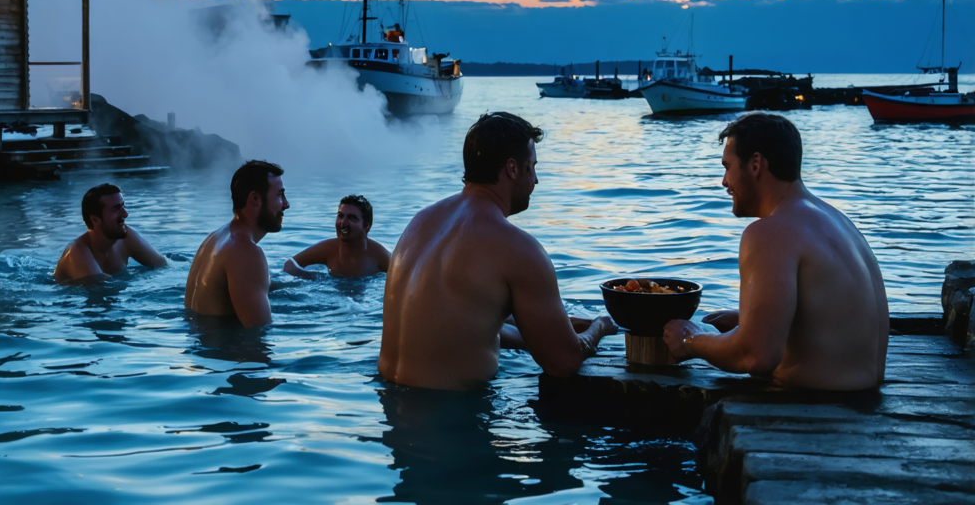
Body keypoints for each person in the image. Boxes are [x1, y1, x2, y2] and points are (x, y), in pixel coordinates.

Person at [379, 112, 616, 391]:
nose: (536, 180)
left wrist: (563, 325)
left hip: (391, 412)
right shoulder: (517, 249)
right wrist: (599, 326)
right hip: (455, 421)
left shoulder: (419, 223)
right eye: (533, 167)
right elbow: (563, 362)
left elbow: (464, 318)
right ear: (513, 169)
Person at [663, 113, 888, 391]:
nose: (724, 181)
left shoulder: (769, 232)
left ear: (756, 164)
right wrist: (746, 318)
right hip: (864, 408)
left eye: (727, 167)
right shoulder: (838, 222)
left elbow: (756, 355)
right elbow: (828, 313)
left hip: (819, 418)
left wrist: (690, 339)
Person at [184, 160, 288, 328]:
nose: (286, 204)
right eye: (280, 195)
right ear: (255, 198)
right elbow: (259, 337)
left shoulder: (216, 238)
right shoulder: (245, 251)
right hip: (225, 352)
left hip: (201, 344)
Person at [54, 183, 168, 283]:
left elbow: (164, 265)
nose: (125, 214)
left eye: (123, 206)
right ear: (95, 220)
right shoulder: (78, 251)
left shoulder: (126, 237)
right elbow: (99, 295)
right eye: (115, 209)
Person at [284, 195, 390, 279]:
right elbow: (290, 265)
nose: (343, 223)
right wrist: (313, 278)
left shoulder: (380, 256)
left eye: (352, 218)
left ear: (367, 226)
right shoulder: (328, 249)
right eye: (340, 216)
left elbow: (404, 279)